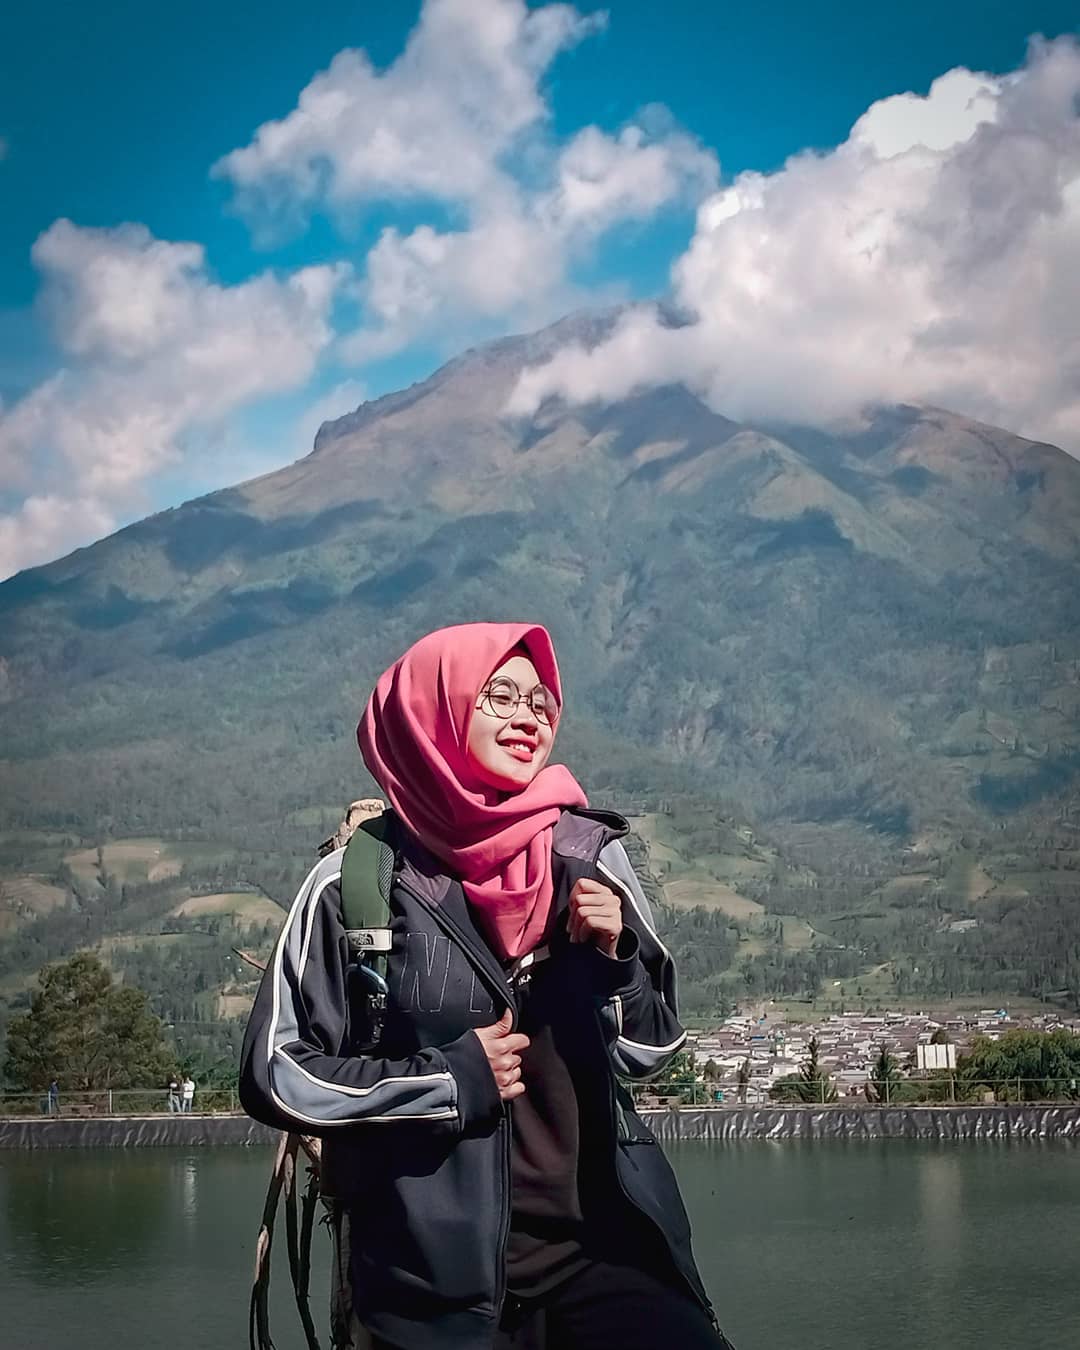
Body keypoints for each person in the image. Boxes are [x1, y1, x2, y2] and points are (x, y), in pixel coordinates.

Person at [240, 623, 733, 1350]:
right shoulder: (356, 884)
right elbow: (275, 1074)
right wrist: (445, 1081)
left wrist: (617, 961)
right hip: (430, 1288)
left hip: (605, 1249)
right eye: (499, 696)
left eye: (542, 701)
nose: (528, 715)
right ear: (434, 708)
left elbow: (651, 1050)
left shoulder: (589, 855)